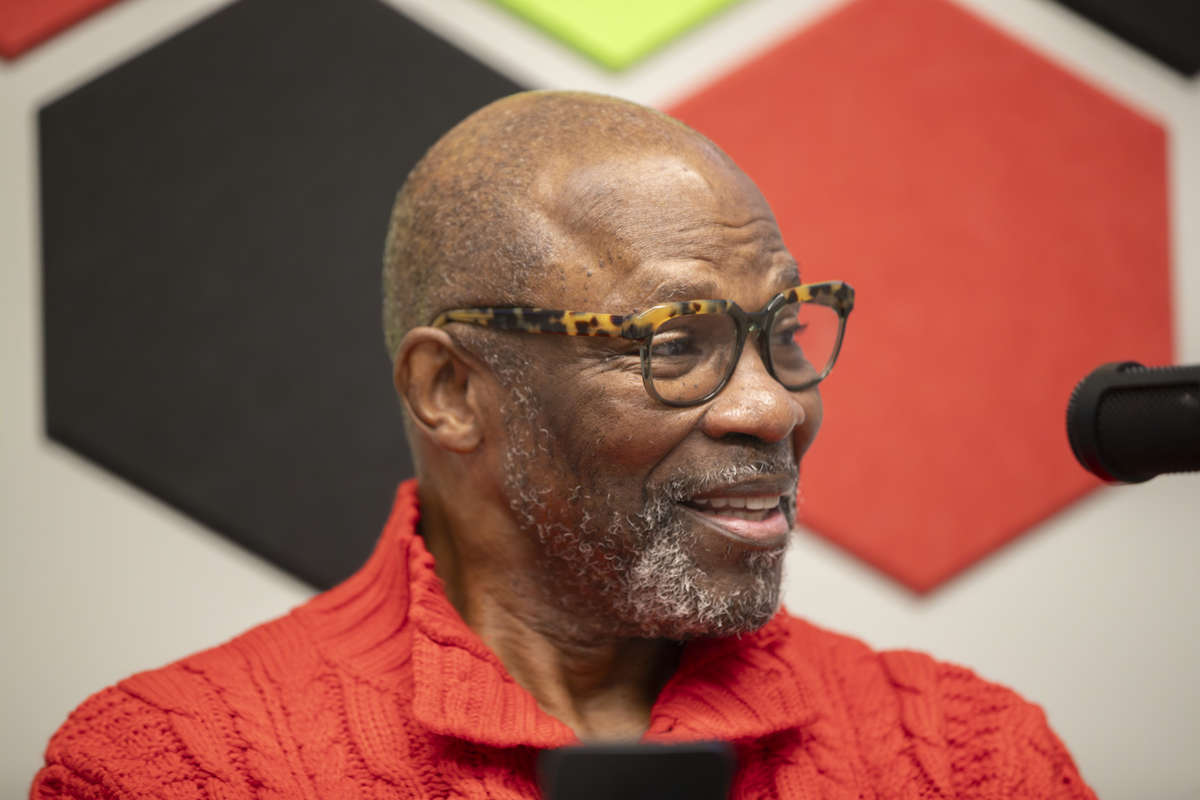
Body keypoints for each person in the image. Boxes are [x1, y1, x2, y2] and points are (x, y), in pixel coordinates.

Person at [31, 91, 1095, 799]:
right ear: (450, 390)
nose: (773, 407)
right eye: (674, 342)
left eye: (785, 333)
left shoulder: (969, 760)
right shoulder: (178, 768)